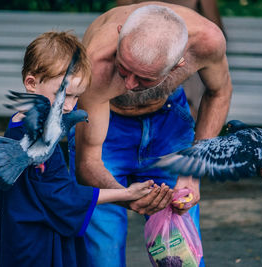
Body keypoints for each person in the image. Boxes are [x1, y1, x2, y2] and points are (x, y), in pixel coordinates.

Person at [68, 3, 232, 267]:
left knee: (181, 256)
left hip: (168, 126)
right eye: (123, 69)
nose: (130, 85)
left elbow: (220, 92)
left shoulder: (206, 41)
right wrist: (125, 195)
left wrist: (192, 175)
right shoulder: (96, 60)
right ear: (121, 34)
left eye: (144, 79)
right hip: (106, 129)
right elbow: (89, 162)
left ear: (180, 63)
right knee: (101, 255)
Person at [0, 31, 158, 267]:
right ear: (31, 83)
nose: (69, 106)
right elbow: (64, 196)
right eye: (63, 96)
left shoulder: (18, 124)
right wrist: (126, 193)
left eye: (77, 97)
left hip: (18, 237)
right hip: (37, 246)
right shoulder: (36, 139)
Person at [116, 0, 226, 120]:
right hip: (139, 48)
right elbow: (124, 16)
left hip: (183, 48)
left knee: (185, 99)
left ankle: (186, 122)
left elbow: (214, 26)